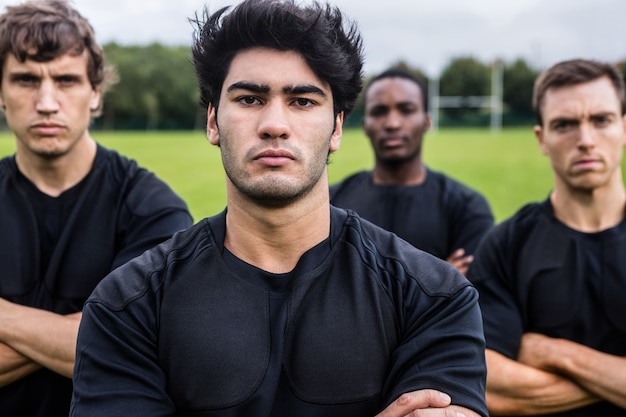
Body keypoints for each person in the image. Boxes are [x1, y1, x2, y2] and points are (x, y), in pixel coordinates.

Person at [69, 1, 488, 416]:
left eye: (302, 101)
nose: (274, 123)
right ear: (213, 121)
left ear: (337, 127)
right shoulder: (128, 305)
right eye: (250, 99)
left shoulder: (432, 296)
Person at [0, 1, 193, 416]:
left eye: (66, 80)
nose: (47, 102)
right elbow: (116, 344)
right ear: (1, 92)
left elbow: (145, 351)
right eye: (25, 79)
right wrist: (87, 333)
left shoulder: (154, 210)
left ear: (95, 93)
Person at [467, 58, 626, 416]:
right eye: (565, 124)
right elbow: (489, 385)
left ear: (624, 128)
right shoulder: (507, 244)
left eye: (601, 120)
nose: (585, 140)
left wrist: (554, 353)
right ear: (542, 138)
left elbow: (518, 390)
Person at [330, 67, 494, 275]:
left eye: (406, 110)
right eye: (379, 111)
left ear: (426, 121)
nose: (392, 123)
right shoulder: (331, 203)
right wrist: (439, 280)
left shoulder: (467, 208)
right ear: (365, 125)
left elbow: (470, 300)